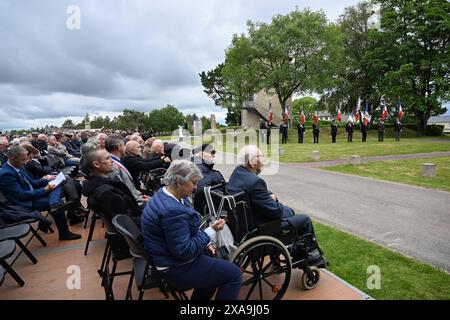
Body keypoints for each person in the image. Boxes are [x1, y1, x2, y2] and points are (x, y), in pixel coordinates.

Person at [141, 160, 242, 300]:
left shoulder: (165, 194)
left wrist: (205, 242)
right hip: (176, 267)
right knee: (234, 274)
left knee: (215, 274)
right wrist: (211, 231)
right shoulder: (173, 210)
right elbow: (184, 250)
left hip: (166, 259)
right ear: (178, 181)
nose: (195, 187)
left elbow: (186, 230)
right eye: (193, 183)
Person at [226, 146, 326, 268]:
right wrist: (274, 199)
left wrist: (269, 197)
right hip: (260, 229)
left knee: (290, 213)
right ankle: (313, 257)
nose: (263, 159)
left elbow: (257, 196)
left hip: (243, 227)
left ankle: (287, 254)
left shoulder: (237, 174)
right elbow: (276, 212)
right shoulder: (255, 182)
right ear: (252, 162)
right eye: (261, 156)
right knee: (304, 219)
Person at [0, 146, 81, 240]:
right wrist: (45, 190)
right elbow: (21, 195)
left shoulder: (18, 166)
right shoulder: (6, 174)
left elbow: (33, 183)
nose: (26, 162)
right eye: (23, 159)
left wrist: (48, 180)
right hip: (25, 202)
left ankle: (54, 204)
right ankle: (64, 233)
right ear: (13, 159)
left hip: (32, 194)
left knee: (56, 184)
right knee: (59, 201)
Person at [82, 149, 142, 222]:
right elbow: (127, 221)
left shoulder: (105, 184)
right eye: (107, 158)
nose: (112, 161)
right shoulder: (105, 192)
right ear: (96, 164)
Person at [191, 144, 225, 215]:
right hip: (210, 212)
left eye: (214, 153)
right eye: (211, 152)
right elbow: (200, 190)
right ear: (200, 153)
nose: (213, 156)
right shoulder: (198, 168)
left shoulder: (198, 165)